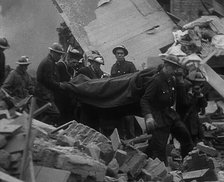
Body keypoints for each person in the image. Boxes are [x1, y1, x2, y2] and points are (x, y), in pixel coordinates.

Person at [140, 55, 193, 165]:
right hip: (158, 118)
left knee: (185, 136)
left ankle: (188, 164)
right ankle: (160, 172)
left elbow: (182, 100)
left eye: (176, 68)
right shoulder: (156, 81)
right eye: (173, 68)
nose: (174, 71)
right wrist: (148, 117)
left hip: (170, 115)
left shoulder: (171, 79)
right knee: (159, 148)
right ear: (166, 66)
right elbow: (145, 100)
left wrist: (180, 82)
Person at [35, 43, 65, 126]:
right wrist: (59, 85)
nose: (60, 57)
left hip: (46, 94)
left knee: (48, 113)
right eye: (59, 54)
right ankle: (43, 127)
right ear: (53, 52)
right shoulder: (48, 63)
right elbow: (48, 80)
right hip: (44, 95)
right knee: (55, 113)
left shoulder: (51, 62)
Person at [176, 70, 207, 144]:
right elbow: (185, 103)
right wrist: (191, 94)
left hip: (194, 119)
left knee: (198, 140)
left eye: (200, 82)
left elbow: (203, 105)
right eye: (197, 82)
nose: (199, 84)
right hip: (185, 118)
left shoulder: (197, 91)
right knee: (187, 141)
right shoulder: (184, 88)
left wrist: (200, 96)